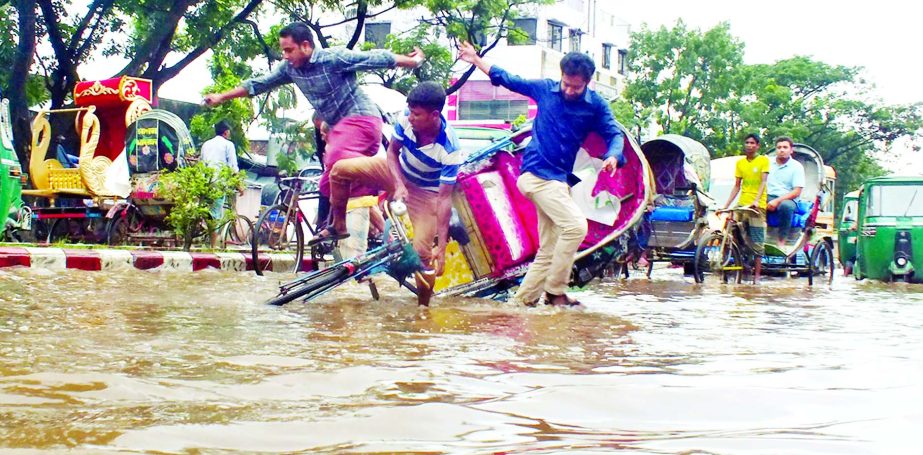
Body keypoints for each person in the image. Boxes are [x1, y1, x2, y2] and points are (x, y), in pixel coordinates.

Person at [203, 21, 425, 242]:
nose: (285, 56)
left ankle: (354, 213)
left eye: (289, 50)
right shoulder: (289, 69)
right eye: (283, 51)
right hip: (341, 128)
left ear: (306, 46)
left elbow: (374, 58)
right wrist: (222, 96)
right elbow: (259, 84)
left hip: (362, 119)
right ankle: (350, 224)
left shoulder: (333, 58)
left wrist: (413, 61)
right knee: (327, 183)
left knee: (337, 160)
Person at [457, 41, 625, 307]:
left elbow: (613, 133)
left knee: (548, 249)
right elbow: (509, 79)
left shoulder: (596, 106)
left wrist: (614, 155)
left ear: (587, 83)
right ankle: (555, 291)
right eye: (566, 83)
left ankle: (521, 304)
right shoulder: (546, 89)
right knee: (575, 227)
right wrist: (476, 60)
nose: (569, 90)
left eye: (576, 87)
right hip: (536, 176)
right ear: (561, 76)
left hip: (558, 181)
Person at [323, 81, 461, 306]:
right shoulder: (406, 117)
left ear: (434, 115)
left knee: (421, 256)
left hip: (426, 195)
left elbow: (444, 199)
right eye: (411, 112)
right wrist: (398, 185)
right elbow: (392, 152)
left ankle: (423, 310)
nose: (412, 117)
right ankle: (339, 226)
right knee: (339, 170)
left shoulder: (450, 149)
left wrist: (443, 248)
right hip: (395, 172)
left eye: (417, 114)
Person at [723, 133, 769, 283]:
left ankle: (757, 276)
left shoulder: (763, 161)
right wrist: (726, 205)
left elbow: (763, 182)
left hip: (757, 205)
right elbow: (737, 186)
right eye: (747, 142)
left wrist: (756, 201)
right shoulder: (740, 163)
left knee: (757, 240)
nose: (749, 145)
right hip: (742, 203)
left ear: (757, 146)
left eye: (752, 143)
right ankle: (734, 264)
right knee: (731, 231)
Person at [200, 120, 240, 248]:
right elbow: (233, 168)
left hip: (204, 183)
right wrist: (239, 185)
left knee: (206, 210)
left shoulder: (206, 144)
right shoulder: (228, 145)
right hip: (219, 182)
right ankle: (212, 247)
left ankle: (203, 225)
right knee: (216, 215)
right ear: (226, 132)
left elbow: (201, 164)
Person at [766, 136, 805, 247]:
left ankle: (781, 241)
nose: (782, 150)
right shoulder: (767, 163)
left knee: (785, 206)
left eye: (785, 147)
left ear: (791, 150)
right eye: (779, 147)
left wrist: (777, 201)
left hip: (789, 199)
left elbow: (797, 191)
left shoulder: (797, 167)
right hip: (768, 196)